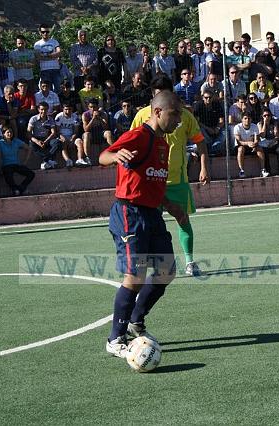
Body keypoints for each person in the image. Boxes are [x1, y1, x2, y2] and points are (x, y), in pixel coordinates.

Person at [100, 91, 184, 358]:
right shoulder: (139, 135)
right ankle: (115, 339)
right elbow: (103, 156)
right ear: (158, 112)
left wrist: (172, 207)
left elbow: (154, 183)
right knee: (134, 276)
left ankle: (137, 319)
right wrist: (114, 156)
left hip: (152, 215)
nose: (179, 120)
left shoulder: (162, 144)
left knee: (166, 271)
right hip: (130, 213)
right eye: (175, 114)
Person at [130, 75, 209, 277]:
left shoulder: (184, 116)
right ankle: (148, 264)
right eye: (156, 95)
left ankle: (190, 262)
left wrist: (203, 167)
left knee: (183, 219)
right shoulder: (141, 116)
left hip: (177, 181)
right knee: (148, 224)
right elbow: (131, 145)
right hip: (150, 181)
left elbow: (200, 141)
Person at [0, 127, 35, 196]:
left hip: (16, 164)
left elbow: (29, 148)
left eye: (11, 132)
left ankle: (20, 188)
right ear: (3, 134)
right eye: (7, 132)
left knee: (31, 174)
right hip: (6, 165)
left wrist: (25, 161)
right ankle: (15, 190)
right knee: (8, 175)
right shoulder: (0, 143)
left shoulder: (16, 141)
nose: (10, 134)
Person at [27, 102, 63, 170]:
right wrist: (37, 141)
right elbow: (28, 133)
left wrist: (46, 141)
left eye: (45, 109)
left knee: (57, 142)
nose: (43, 111)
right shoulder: (33, 119)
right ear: (38, 109)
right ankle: (49, 160)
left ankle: (45, 160)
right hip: (36, 138)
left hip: (47, 138)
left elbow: (53, 132)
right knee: (31, 144)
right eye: (42, 109)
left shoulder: (50, 119)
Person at [234, 112, 267, 178]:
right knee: (240, 149)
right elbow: (239, 141)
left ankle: (263, 170)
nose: (247, 120)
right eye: (245, 118)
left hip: (252, 146)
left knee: (260, 149)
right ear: (242, 119)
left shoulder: (254, 126)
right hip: (241, 146)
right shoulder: (237, 127)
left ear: (251, 119)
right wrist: (248, 143)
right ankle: (242, 171)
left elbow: (256, 139)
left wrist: (255, 144)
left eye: (249, 118)